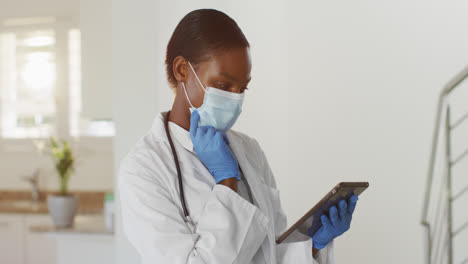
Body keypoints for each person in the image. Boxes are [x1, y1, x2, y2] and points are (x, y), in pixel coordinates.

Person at [118, 8, 359, 264]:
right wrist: (227, 183)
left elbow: (268, 253)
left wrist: (313, 245)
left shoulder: (248, 150)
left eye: (242, 88)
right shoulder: (144, 170)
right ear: (181, 70)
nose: (235, 99)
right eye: (223, 85)